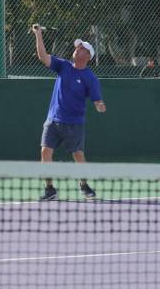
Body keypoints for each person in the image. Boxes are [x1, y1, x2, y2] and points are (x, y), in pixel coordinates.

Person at [32, 23, 106, 201]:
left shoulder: (90, 78)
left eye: (81, 48)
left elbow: (97, 99)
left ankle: (84, 184)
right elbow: (43, 56)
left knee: (78, 155)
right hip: (53, 120)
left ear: (87, 55)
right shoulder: (63, 66)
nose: (76, 49)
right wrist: (38, 35)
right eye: (77, 47)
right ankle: (50, 189)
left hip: (74, 123)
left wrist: (99, 105)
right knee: (45, 152)